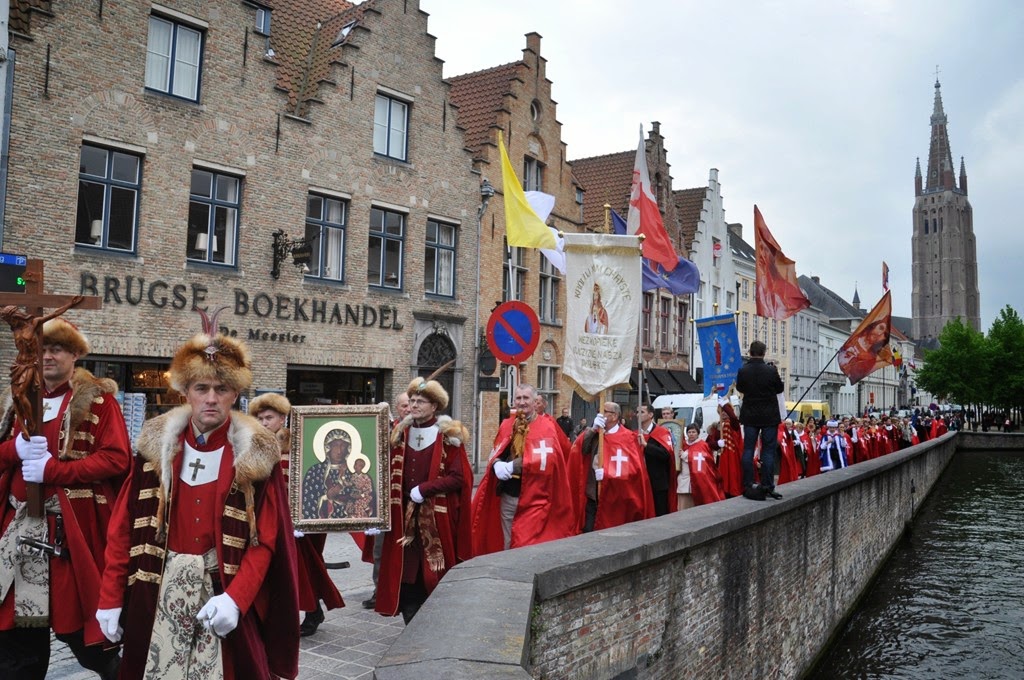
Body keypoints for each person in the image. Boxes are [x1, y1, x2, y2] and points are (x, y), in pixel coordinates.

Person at [97, 327, 298, 679]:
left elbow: (265, 541)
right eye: (201, 388)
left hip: (222, 596)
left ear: (235, 393)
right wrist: (111, 596)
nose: (211, 399)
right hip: (156, 592)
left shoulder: (257, 455)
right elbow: (123, 530)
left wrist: (236, 599)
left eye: (221, 389)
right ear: (185, 393)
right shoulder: (154, 451)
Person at [0, 317, 130, 680]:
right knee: (16, 641)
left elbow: (117, 458)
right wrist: (15, 449)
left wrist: (53, 471)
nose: (47, 356)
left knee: (87, 640)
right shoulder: (17, 400)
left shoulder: (99, 401)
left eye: (56, 348)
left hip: (70, 538)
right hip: (20, 533)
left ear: (75, 353)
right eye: (41, 349)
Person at [376, 376, 472, 624]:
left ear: (434, 406)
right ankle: (411, 621)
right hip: (403, 517)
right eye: (412, 400)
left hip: (435, 519)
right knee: (406, 573)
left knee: (432, 574)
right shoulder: (399, 433)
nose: (414, 405)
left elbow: (459, 477)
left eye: (420, 401)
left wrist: (426, 488)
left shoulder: (449, 436)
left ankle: (435, 622)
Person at [249, 392, 343, 637]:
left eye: (269, 417)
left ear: (282, 418)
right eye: (259, 418)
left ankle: (313, 612)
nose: (264, 423)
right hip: (269, 520)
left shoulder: (300, 442)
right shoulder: (253, 446)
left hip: (301, 522)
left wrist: (303, 515)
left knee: (304, 569)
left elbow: (315, 482)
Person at [473, 384, 577, 554]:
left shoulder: (546, 426)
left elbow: (549, 459)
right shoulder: (507, 425)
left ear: (535, 401)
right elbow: (497, 451)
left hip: (536, 499)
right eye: (518, 398)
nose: (521, 402)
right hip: (508, 496)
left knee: (527, 545)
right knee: (507, 545)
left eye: (526, 398)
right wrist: (496, 463)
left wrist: (513, 466)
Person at [359, 392, 410, 610]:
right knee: (381, 549)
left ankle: (408, 590)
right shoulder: (389, 429)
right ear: (397, 408)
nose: (408, 409)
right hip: (385, 501)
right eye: (404, 405)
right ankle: (379, 589)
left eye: (412, 404)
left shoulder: (420, 431)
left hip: (409, 500)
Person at [573, 402, 654, 531]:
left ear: (615, 416)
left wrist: (607, 474)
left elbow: (632, 469)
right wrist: (593, 429)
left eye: (604, 411)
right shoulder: (597, 434)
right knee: (589, 530)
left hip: (617, 496)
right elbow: (581, 449)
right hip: (594, 493)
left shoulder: (628, 437)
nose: (600, 414)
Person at [735, 341, 784, 500]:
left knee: (748, 449)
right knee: (768, 451)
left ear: (750, 352)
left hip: (750, 414)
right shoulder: (771, 370)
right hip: (769, 415)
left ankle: (748, 483)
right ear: (764, 353)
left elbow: (740, 388)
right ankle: (767, 485)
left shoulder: (743, 370)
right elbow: (779, 389)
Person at [636, 403, 676, 516]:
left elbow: (666, 454)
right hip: (641, 482)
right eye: (637, 412)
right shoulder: (635, 434)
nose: (638, 415)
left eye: (642, 412)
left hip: (658, 483)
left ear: (650, 415)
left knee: (659, 515)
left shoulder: (662, 432)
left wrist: (646, 445)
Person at [683, 423, 725, 506]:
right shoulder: (684, 444)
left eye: (693, 432)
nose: (691, 434)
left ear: (698, 433)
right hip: (686, 478)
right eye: (689, 432)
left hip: (701, 475)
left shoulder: (702, 445)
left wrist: (685, 455)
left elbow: (706, 460)